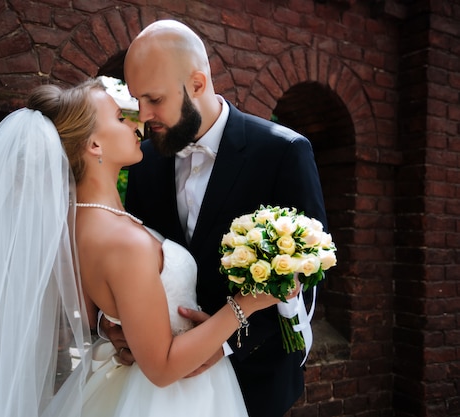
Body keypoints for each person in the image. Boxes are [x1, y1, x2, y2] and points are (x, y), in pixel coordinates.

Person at [0, 78, 296, 417]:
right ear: (93, 144)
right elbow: (164, 368)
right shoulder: (123, 241)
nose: (137, 125)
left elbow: (95, 316)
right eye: (121, 118)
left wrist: (114, 323)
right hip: (171, 397)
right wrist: (247, 304)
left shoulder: (77, 223)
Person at [120, 20, 329, 417]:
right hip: (161, 389)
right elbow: (131, 262)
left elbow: (309, 274)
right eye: (136, 99)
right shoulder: (144, 162)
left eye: (154, 99)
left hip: (256, 379)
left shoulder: (283, 152)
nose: (144, 115)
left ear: (197, 84)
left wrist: (228, 340)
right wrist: (115, 327)